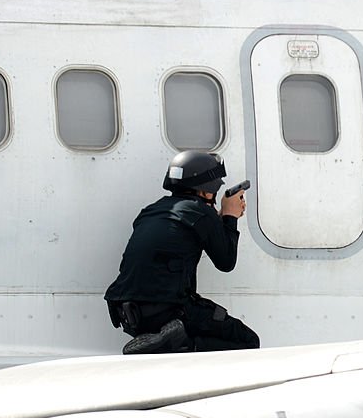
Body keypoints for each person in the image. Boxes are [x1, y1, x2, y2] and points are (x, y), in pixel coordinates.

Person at [105, 150, 260, 354]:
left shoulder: (152, 211)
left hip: (129, 315)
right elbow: (226, 262)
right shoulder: (203, 214)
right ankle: (177, 343)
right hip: (169, 312)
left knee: (191, 332)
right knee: (248, 341)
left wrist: (216, 220)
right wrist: (230, 217)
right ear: (206, 191)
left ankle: (166, 342)